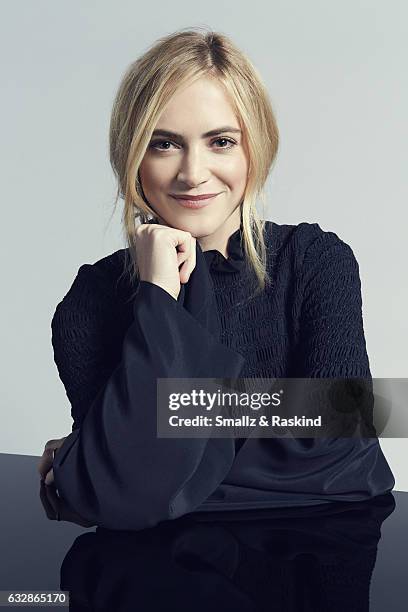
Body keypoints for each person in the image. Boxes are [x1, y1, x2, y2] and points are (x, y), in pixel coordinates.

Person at [37, 27, 394, 530]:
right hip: (147, 585)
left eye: (221, 141)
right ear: (132, 155)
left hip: (308, 574)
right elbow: (130, 491)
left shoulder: (316, 261)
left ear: (256, 148)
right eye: (164, 144)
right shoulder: (91, 301)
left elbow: (345, 457)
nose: (193, 173)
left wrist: (88, 467)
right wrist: (158, 298)